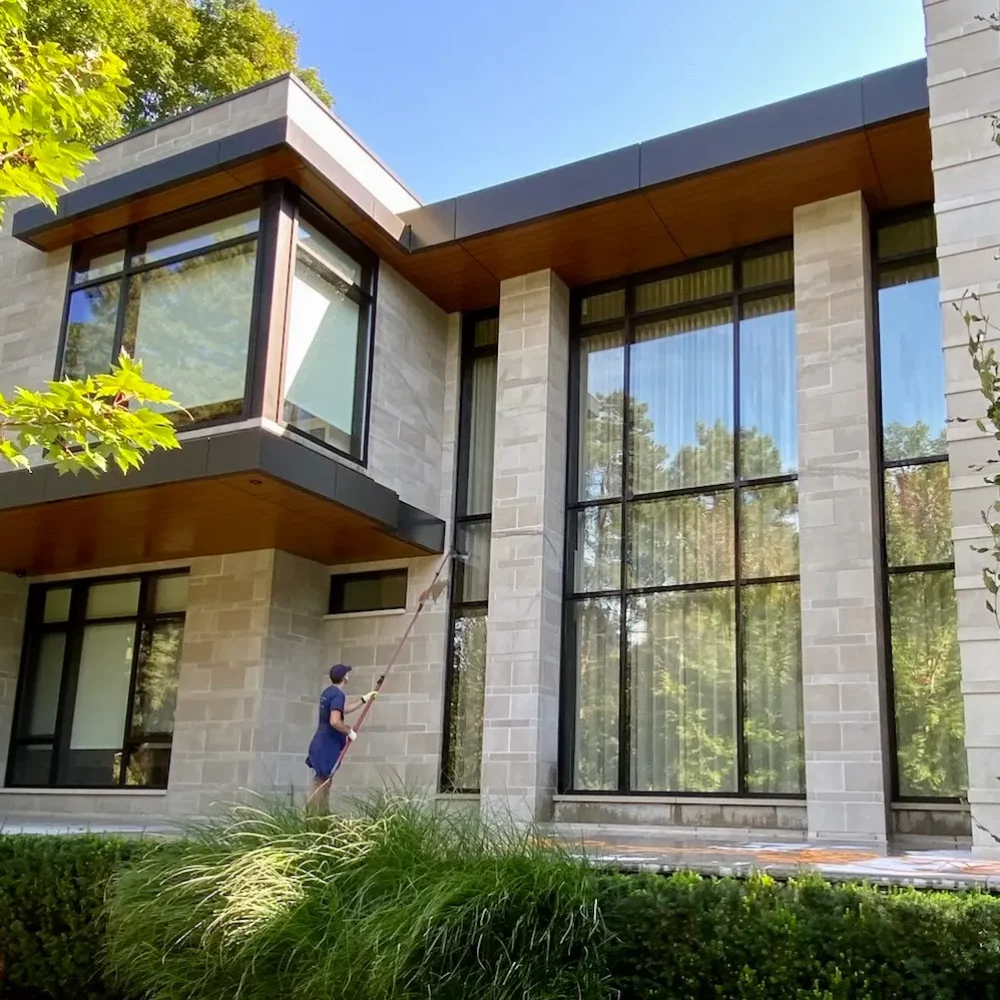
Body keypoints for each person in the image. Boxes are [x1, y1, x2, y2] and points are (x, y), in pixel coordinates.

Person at [305, 663, 376, 814]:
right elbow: (335, 720)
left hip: (320, 743)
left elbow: (341, 709)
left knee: (321, 781)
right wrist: (349, 731)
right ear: (344, 677)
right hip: (327, 746)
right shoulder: (338, 694)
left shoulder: (328, 692)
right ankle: (316, 819)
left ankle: (318, 817)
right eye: (347, 673)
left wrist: (363, 700)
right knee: (322, 783)